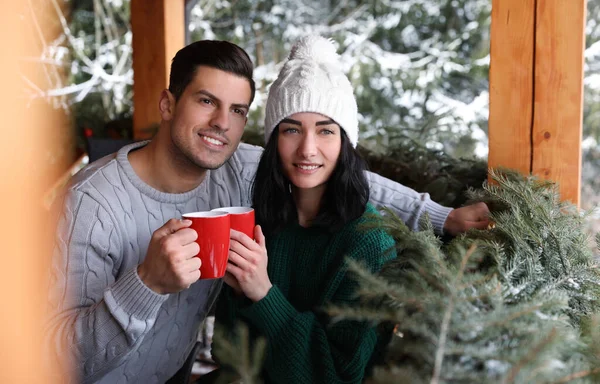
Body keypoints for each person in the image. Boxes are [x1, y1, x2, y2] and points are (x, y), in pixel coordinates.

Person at [45, 39, 488, 383]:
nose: (222, 122)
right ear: (167, 104)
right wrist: (145, 284)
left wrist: (442, 217)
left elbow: (330, 172)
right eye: (205, 101)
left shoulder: (237, 168)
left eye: (237, 110)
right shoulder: (91, 205)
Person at [213, 35, 399, 384]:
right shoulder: (262, 224)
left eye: (325, 131)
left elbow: (339, 376)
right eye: (292, 130)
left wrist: (263, 295)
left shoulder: (370, 244)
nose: (308, 149)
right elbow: (225, 351)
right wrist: (240, 293)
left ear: (345, 143)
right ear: (273, 141)